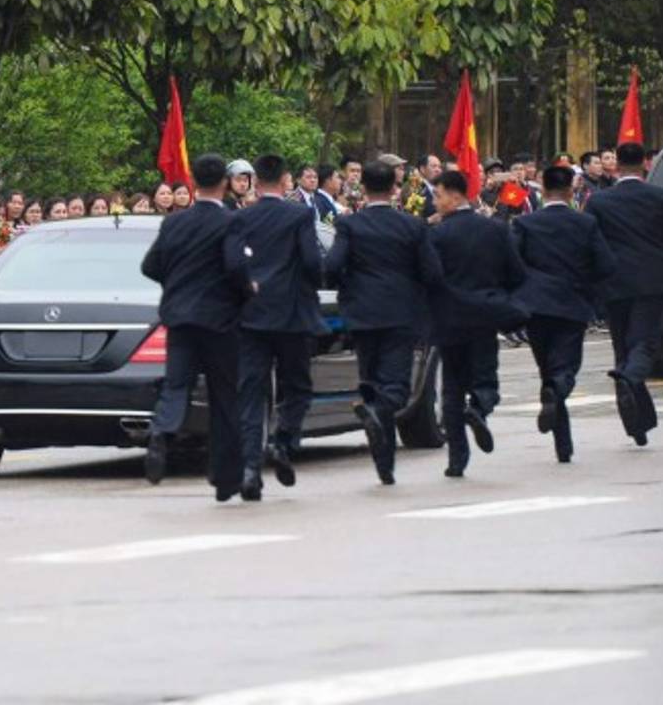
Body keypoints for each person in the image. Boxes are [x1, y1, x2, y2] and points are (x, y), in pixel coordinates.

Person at [326, 162, 443, 485]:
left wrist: (348, 285)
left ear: (363, 187)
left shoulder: (350, 225)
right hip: (401, 314)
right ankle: (379, 420)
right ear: (395, 188)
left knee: (372, 381)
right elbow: (432, 272)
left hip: (362, 315)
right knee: (396, 387)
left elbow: (332, 266)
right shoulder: (412, 226)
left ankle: (385, 464)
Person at [141, 153, 248, 502]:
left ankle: (161, 433)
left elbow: (150, 265)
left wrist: (177, 284)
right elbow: (235, 266)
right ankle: (223, 475)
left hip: (180, 317)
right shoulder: (230, 221)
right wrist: (248, 292)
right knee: (223, 396)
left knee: (176, 385)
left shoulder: (174, 223)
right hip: (219, 320)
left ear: (194, 183)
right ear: (224, 184)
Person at [223, 154, 323, 500]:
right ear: (284, 180)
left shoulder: (241, 217)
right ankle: (284, 441)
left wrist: (247, 288)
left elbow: (232, 263)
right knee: (297, 385)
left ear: (255, 181)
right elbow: (312, 261)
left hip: (251, 316)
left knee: (251, 391)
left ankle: (251, 466)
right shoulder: (299, 215)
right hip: (292, 315)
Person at [585, 142, 663, 445]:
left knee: (623, 350)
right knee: (644, 343)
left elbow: (589, 242)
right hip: (651, 282)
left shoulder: (599, 201)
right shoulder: (661, 197)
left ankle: (637, 425)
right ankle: (633, 384)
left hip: (613, 283)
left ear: (617, 165)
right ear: (646, 164)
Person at [513, 166, 617, 463]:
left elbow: (512, 263)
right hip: (572, 305)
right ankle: (556, 395)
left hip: (535, 307)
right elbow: (606, 264)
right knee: (565, 370)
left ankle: (564, 445)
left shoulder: (525, 223)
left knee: (548, 369)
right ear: (571, 192)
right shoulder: (585, 224)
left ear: (543, 191)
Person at [429, 170, 527, 478]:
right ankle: (480, 408)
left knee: (452, 389)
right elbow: (516, 273)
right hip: (485, 316)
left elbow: (429, 276)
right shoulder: (495, 230)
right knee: (486, 380)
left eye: (439, 195)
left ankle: (457, 458)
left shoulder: (437, 235)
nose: (435, 201)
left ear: (456, 196)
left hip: (449, 319)